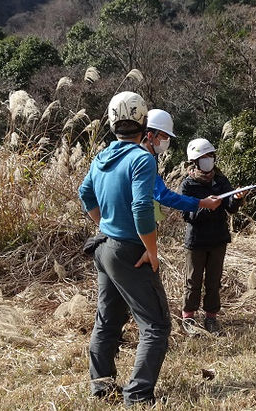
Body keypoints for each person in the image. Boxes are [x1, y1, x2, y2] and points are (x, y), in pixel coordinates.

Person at [78, 91, 170, 406]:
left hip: (103, 247)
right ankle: (139, 394)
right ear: (143, 123)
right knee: (155, 325)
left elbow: (85, 193)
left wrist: (104, 222)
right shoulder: (141, 158)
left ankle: (101, 385)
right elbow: (143, 208)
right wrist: (152, 250)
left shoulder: (101, 158)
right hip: (129, 251)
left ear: (112, 122)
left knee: (108, 318)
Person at [179, 138, 245, 333]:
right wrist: (206, 206)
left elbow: (230, 208)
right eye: (203, 157)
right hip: (196, 240)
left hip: (218, 239)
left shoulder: (220, 180)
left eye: (210, 157)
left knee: (214, 281)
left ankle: (211, 318)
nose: (208, 161)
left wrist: (237, 199)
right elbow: (187, 215)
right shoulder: (188, 184)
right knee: (193, 281)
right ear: (195, 161)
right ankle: (189, 318)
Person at [141, 109, 221, 217]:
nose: (167, 141)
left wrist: (155, 207)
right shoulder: (143, 160)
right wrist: (202, 203)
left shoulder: (148, 156)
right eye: (164, 136)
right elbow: (162, 195)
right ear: (150, 136)